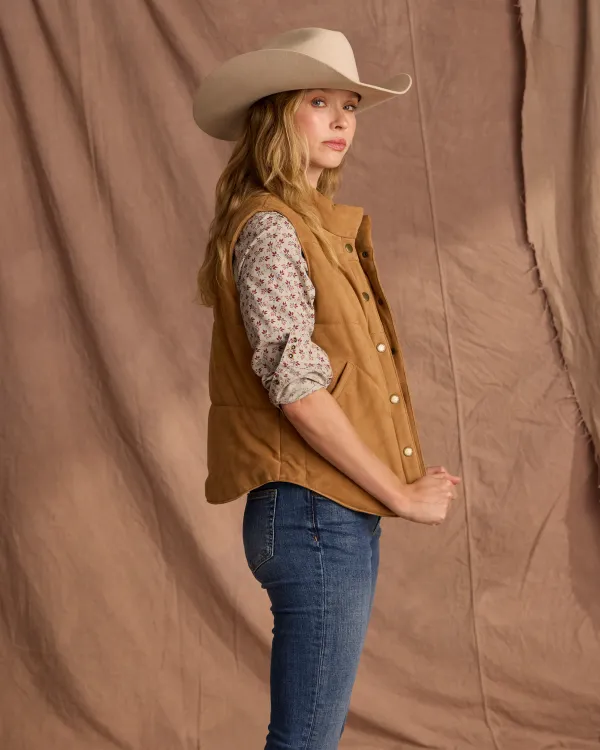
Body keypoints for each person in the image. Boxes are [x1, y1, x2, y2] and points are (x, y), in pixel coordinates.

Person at [192, 27, 461, 750]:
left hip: (327, 512)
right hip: (312, 514)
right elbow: (296, 387)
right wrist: (400, 493)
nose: (342, 120)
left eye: (350, 106)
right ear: (276, 115)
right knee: (306, 740)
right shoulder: (272, 229)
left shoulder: (315, 228)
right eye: (319, 102)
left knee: (311, 736)